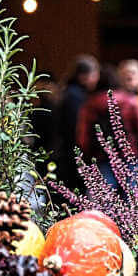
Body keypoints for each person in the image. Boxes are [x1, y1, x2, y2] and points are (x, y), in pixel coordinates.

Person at [77, 66, 138, 189]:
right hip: (130, 157)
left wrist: (88, 155)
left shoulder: (90, 104)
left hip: (102, 157)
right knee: (133, 200)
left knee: (105, 200)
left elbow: (83, 136)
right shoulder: (131, 101)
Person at [57, 55, 98, 189]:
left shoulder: (69, 92)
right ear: (83, 76)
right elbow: (76, 127)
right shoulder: (75, 96)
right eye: (94, 74)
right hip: (72, 153)